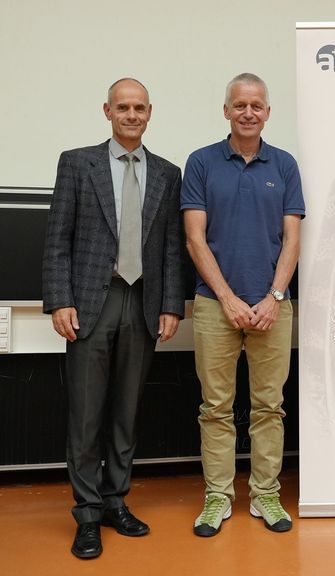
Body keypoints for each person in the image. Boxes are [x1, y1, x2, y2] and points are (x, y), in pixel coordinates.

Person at [42, 78, 185, 559]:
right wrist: (60, 300)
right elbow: (57, 238)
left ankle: (114, 501)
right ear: (107, 111)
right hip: (88, 306)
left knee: (125, 413)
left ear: (150, 113)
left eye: (139, 107)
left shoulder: (168, 173)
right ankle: (86, 515)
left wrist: (171, 304)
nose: (131, 114)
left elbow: (169, 247)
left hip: (141, 303)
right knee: (86, 416)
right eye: (122, 107)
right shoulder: (77, 163)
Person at [181, 73, 304, 537]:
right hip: (216, 306)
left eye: (256, 105)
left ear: (267, 112)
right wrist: (229, 298)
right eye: (239, 105)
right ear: (226, 110)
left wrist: (273, 297)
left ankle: (266, 495)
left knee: (269, 407)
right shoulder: (201, 163)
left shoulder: (285, 165)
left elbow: (293, 239)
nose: (248, 112)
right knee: (215, 407)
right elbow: (195, 238)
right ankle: (217, 498)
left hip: (275, 305)